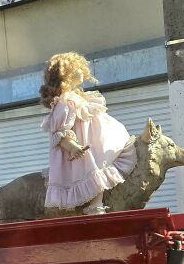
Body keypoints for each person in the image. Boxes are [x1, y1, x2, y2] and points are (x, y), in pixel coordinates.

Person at [40, 51, 136, 214]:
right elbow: (60, 132)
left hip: (94, 140)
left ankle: (97, 201)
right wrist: (72, 146)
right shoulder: (65, 102)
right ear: (66, 74)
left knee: (99, 166)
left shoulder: (76, 97)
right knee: (93, 169)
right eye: (76, 68)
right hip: (82, 145)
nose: (81, 71)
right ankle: (94, 204)